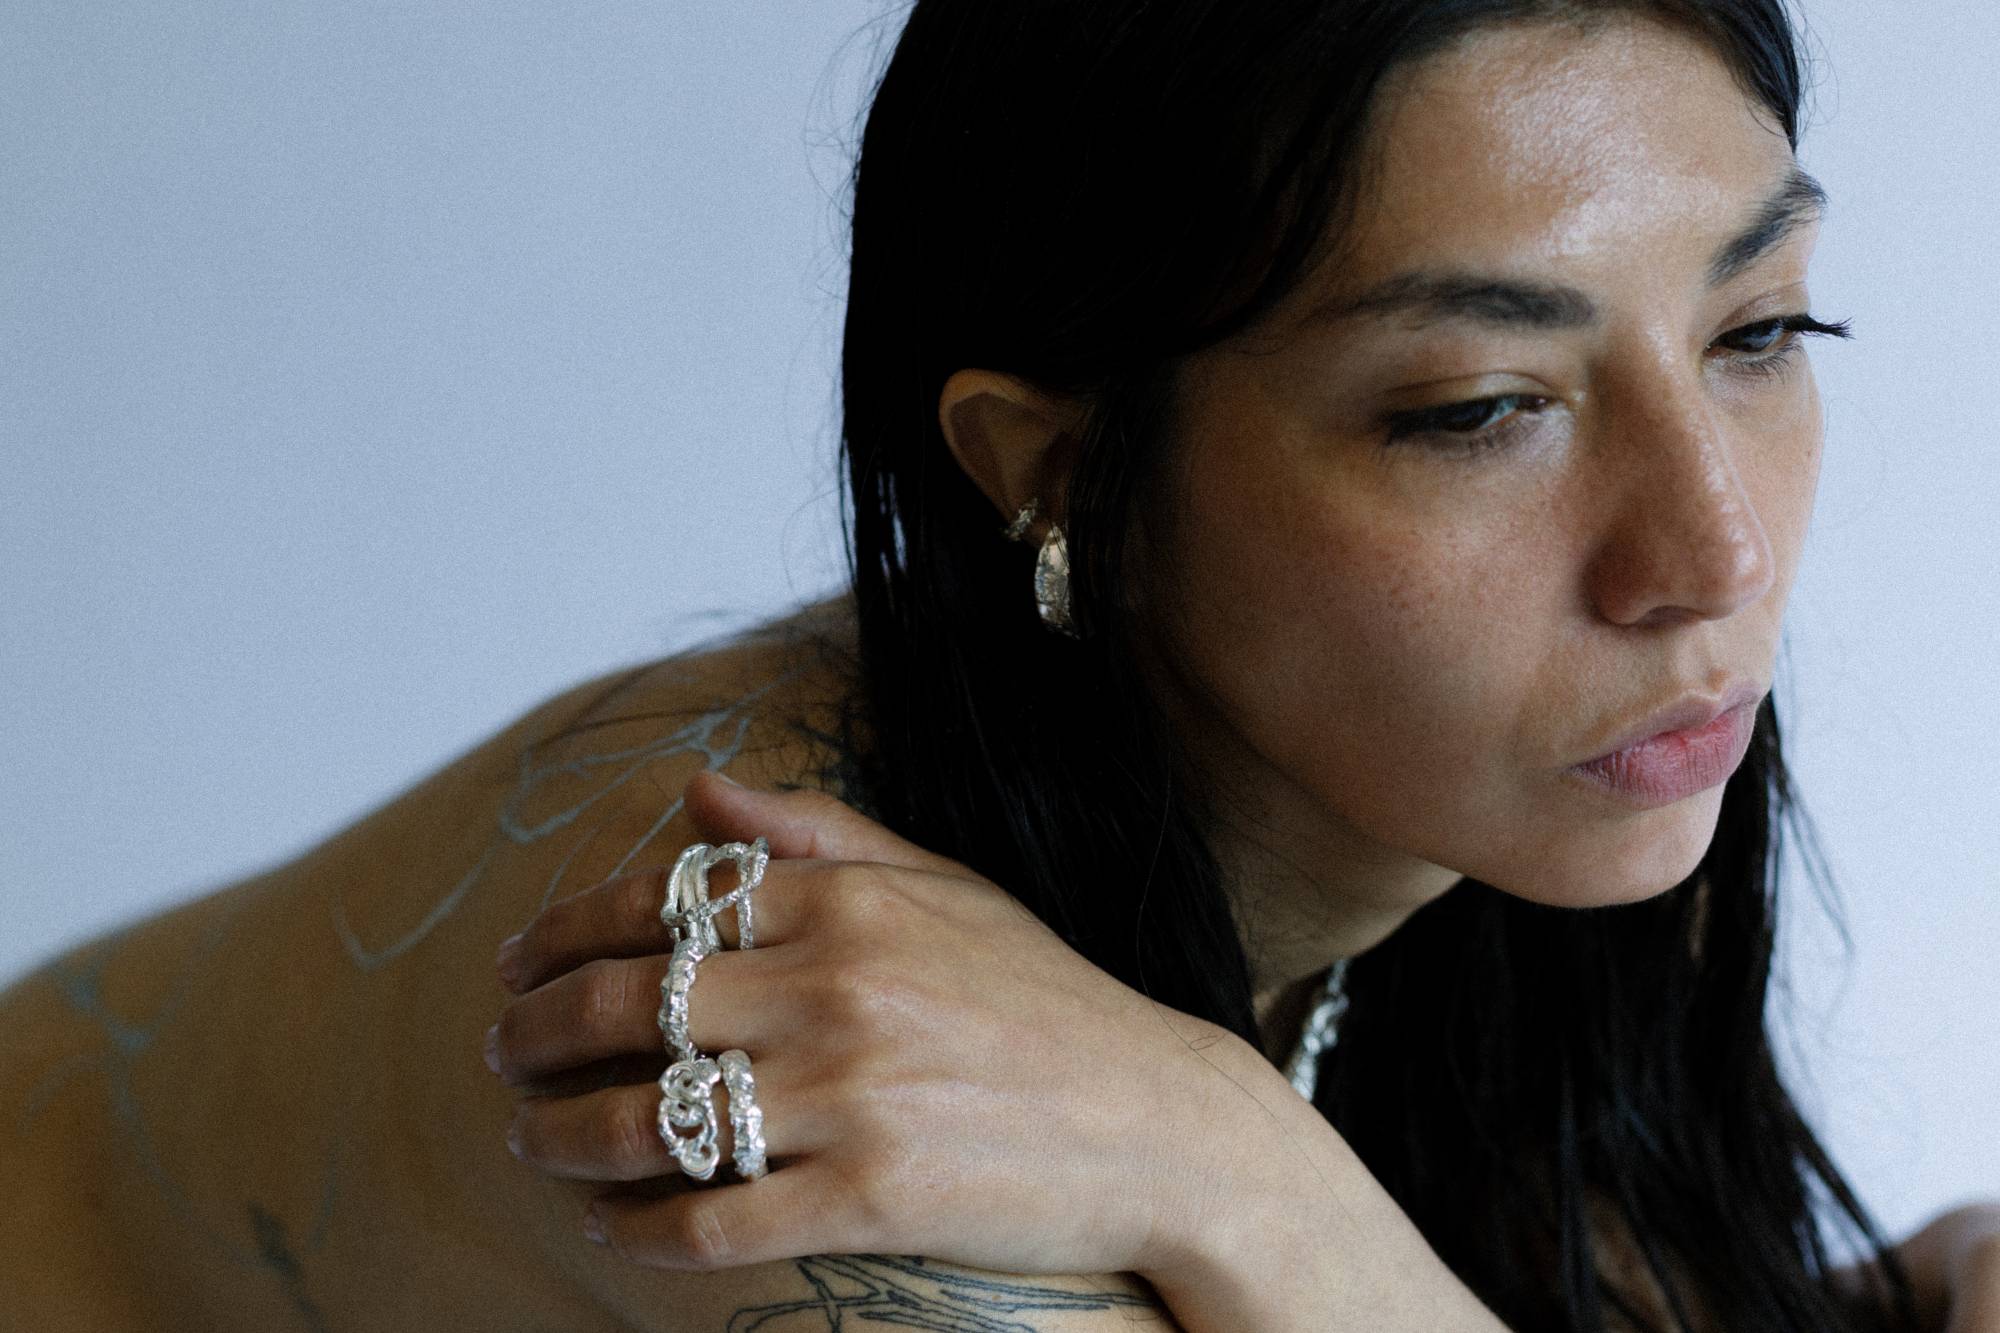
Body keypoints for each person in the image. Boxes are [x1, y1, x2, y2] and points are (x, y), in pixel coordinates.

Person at [3, 1, 1996, 1329]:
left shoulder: (1495, 769)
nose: (1713, 555)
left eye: (1759, 332)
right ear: (1059, 474)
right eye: (1480, 407)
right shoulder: (791, 1028)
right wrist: (1240, 1173)